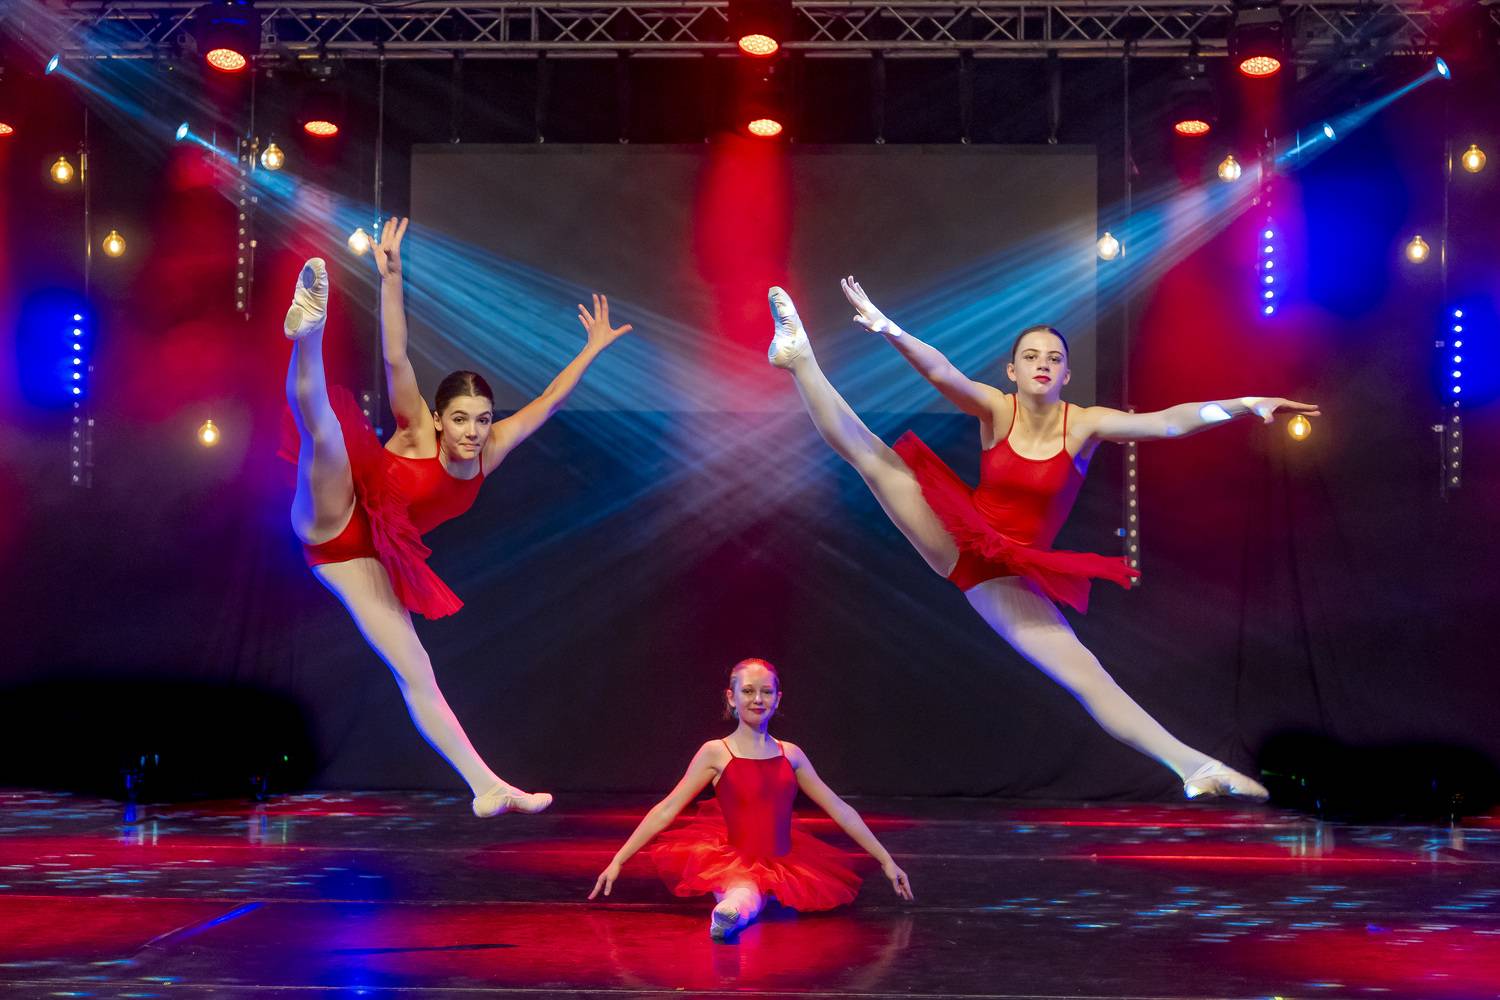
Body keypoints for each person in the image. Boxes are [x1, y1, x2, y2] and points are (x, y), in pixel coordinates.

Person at [765, 278, 1320, 800]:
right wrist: (890, 329)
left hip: (1009, 573)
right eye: (1031, 357)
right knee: (871, 457)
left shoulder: (1084, 424)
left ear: (1066, 375)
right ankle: (799, 357)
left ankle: (1196, 769)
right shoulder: (996, 407)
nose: (1043, 365)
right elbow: (942, 372)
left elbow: (1167, 423)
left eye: (1054, 359)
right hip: (961, 534)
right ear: (1013, 370)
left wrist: (1244, 405)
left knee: (1087, 675)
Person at [278, 217, 633, 816]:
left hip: (368, 559)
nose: (473, 431)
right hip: (336, 516)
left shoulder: (491, 451)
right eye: (462, 419)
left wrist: (590, 351)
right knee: (327, 435)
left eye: (483, 419)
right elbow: (395, 356)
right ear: (440, 419)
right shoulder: (417, 428)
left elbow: (550, 402)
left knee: (417, 670)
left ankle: (486, 786)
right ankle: (307, 332)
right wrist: (392, 278)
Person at [590, 658, 913, 940]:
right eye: (747, 691)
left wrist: (886, 860)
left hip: (784, 859)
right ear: (731, 697)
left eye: (766, 691)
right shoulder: (716, 752)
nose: (757, 699)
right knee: (743, 890)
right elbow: (667, 809)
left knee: (761, 894)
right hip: (732, 857)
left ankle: (734, 913)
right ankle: (731, 912)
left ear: (778, 698)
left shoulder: (791, 754)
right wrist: (619, 859)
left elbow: (839, 809)